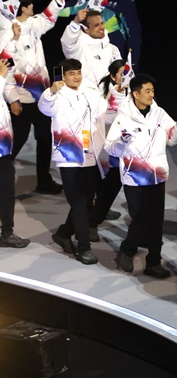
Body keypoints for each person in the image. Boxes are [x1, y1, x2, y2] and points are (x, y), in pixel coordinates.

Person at [104, 73, 177, 278]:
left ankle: (153, 262)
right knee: (141, 218)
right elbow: (110, 148)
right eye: (147, 91)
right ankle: (127, 250)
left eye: (152, 90)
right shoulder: (123, 118)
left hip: (157, 175)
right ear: (136, 94)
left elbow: (171, 139)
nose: (151, 94)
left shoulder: (159, 113)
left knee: (156, 220)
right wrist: (122, 141)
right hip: (135, 176)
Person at [37, 58, 108, 264]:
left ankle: (64, 233)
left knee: (87, 201)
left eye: (78, 72)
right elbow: (44, 108)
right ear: (63, 75)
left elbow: (102, 108)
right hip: (68, 155)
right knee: (78, 201)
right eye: (71, 73)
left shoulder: (87, 92)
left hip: (88, 154)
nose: (76, 77)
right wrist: (51, 91)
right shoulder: (57, 95)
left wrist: (118, 93)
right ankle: (83, 248)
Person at [1, 0, 65, 194]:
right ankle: (2, 179)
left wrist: (58, 2)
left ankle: (44, 181)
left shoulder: (34, 24)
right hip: (21, 98)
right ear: (23, 8)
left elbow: (48, 17)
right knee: (16, 141)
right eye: (30, 5)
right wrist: (12, 98)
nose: (34, 8)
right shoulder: (7, 34)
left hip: (42, 97)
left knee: (45, 138)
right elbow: (5, 69)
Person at [88, 59, 128, 241]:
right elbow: (106, 119)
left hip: (126, 148)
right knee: (106, 184)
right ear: (113, 76)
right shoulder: (104, 94)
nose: (126, 77)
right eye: (122, 74)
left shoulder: (134, 92)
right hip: (105, 147)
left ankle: (96, 214)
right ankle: (92, 221)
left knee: (112, 185)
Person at [0, 59, 30, 248]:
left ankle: (7, 232)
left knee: (6, 190)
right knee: (5, 189)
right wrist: (1, 76)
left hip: (3, 149)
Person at [61, 8, 121, 93]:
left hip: (111, 97)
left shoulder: (113, 49)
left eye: (102, 23)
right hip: (86, 97)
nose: (101, 27)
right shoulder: (78, 48)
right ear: (86, 29)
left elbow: (120, 75)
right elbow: (67, 42)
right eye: (96, 25)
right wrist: (75, 22)